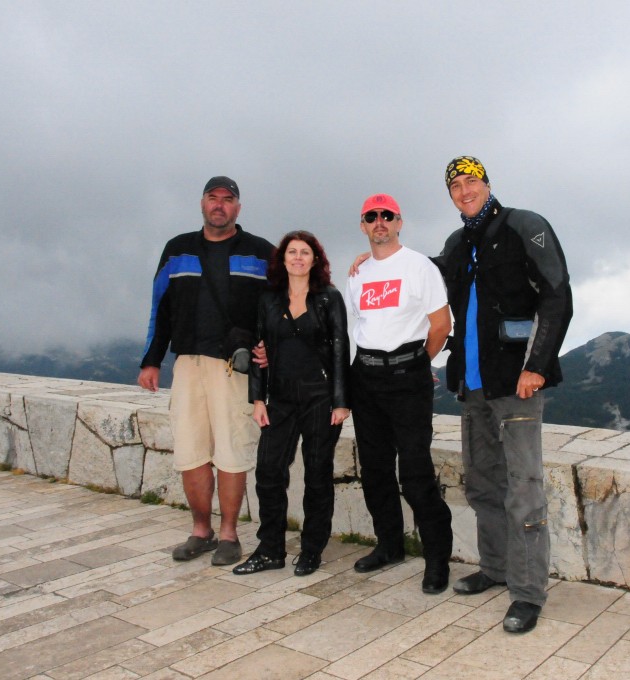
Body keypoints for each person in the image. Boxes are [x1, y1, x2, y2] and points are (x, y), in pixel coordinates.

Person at [434, 156, 573, 634]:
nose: (464, 190)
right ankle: (494, 568)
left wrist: (536, 366)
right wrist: (376, 256)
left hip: (516, 383)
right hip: (472, 386)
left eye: (471, 181)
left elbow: (557, 294)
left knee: (524, 492)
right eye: (455, 185)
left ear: (487, 183)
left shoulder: (524, 225)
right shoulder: (457, 243)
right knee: (482, 485)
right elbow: (427, 282)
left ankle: (529, 594)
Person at [138, 176, 274, 567]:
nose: (219, 206)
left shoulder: (260, 252)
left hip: (235, 367)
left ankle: (230, 534)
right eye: (213, 199)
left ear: (238, 208)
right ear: (202, 204)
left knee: (232, 450)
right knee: (191, 450)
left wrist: (273, 348)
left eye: (227, 200)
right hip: (188, 362)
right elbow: (159, 306)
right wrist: (151, 359)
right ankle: (201, 530)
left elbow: (282, 303)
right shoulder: (177, 250)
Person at [346, 193, 454, 594]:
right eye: (371, 216)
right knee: (374, 470)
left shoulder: (419, 266)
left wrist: (417, 363)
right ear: (362, 225)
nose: (379, 222)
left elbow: (440, 325)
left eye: (386, 215)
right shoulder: (357, 272)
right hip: (366, 377)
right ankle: (389, 546)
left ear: (398, 222)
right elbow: (359, 327)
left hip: (407, 375)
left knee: (414, 471)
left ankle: (437, 558)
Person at [232, 231, 350, 577]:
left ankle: (312, 550)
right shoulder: (268, 299)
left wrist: (341, 402)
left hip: (320, 397)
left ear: (316, 260)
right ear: (282, 259)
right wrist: (257, 398)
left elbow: (342, 349)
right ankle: (270, 549)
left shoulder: (329, 298)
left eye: (305, 252)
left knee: (317, 475)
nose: (298, 257)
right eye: (292, 252)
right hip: (280, 397)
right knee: (269, 472)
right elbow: (258, 350)